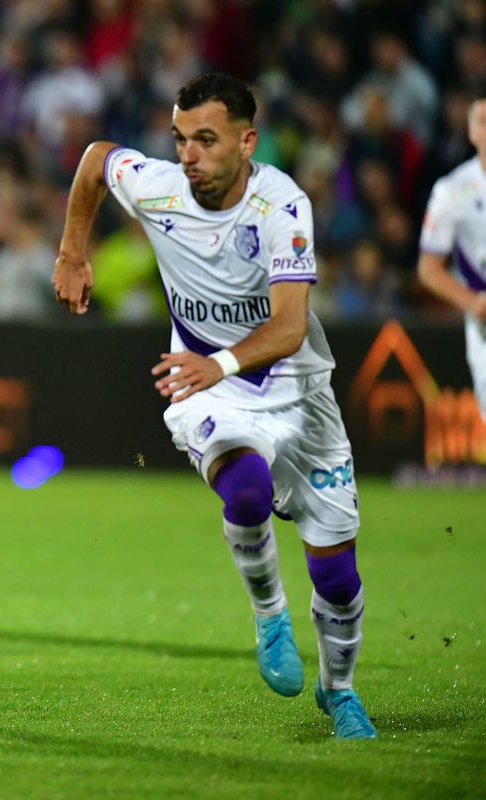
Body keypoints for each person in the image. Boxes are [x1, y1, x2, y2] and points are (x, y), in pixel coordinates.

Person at [52, 73, 376, 739]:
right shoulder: (161, 189)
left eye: (205, 139)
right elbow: (93, 163)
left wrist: (217, 361)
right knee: (248, 491)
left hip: (301, 397)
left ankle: (339, 691)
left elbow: (289, 327)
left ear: (247, 141)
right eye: (179, 139)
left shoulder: (281, 207)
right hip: (211, 391)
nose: (188, 154)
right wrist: (71, 252)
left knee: (339, 577)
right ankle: (270, 616)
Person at [417, 97, 486, 425]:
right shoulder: (453, 190)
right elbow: (428, 268)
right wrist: (472, 303)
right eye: (482, 121)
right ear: (471, 131)